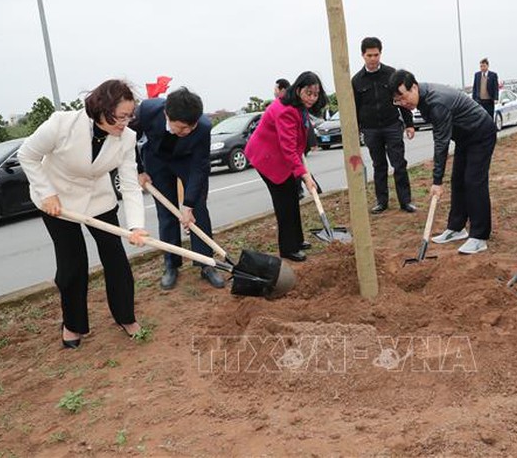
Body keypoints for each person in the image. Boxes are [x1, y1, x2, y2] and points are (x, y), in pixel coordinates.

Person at [17, 79, 148, 348]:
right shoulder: (61, 124)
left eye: (129, 116)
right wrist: (46, 193)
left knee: (116, 260)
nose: (125, 122)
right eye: (120, 116)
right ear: (101, 108)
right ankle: (73, 325)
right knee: (72, 264)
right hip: (58, 202)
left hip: (99, 200)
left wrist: (136, 226)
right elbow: (27, 155)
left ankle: (125, 316)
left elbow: (130, 184)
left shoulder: (127, 137)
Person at [389, 69, 497, 254]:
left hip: (481, 133)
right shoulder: (422, 98)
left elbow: (441, 143)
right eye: (397, 101)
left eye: (404, 97)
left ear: (413, 87)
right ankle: (456, 228)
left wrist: (437, 181)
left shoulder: (436, 102)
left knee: (474, 182)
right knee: (458, 181)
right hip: (465, 137)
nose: (403, 103)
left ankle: (479, 236)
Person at [132, 87, 224, 290]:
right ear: (167, 114)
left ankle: (205, 262)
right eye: (181, 128)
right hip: (156, 160)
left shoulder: (203, 127)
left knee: (198, 209)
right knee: (166, 213)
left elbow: (200, 167)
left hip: (187, 161)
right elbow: (128, 138)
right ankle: (171, 264)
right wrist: (138, 169)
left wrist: (189, 204)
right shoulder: (147, 110)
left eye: (191, 127)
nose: (187, 132)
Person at [246, 71, 321, 262]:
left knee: (292, 196)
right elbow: (287, 147)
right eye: (308, 93)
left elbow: (295, 142)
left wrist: (303, 172)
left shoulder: (299, 106)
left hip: (282, 156)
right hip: (268, 159)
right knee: (284, 201)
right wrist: (304, 176)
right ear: (298, 90)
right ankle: (288, 248)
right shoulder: (285, 110)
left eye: (316, 93)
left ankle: (297, 240)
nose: (312, 98)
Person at [351, 37, 416, 214]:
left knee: (399, 164)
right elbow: (354, 109)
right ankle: (382, 201)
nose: (373, 59)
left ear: (381, 53)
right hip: (371, 130)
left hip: (392, 126)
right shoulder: (356, 81)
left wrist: (409, 124)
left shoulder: (391, 74)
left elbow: (402, 99)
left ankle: (406, 201)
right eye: (369, 55)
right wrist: (355, 132)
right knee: (379, 166)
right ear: (362, 55)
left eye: (376, 54)